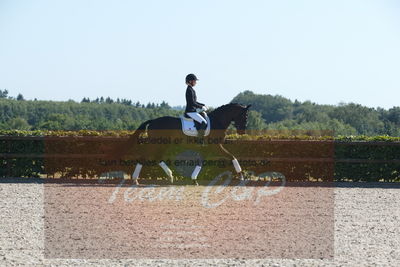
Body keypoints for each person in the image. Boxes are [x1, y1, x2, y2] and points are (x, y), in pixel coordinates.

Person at [184, 73, 208, 138]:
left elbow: (195, 101)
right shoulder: (189, 90)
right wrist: (201, 107)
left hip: (192, 111)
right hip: (190, 112)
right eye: (194, 81)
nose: (195, 82)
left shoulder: (191, 89)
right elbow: (192, 103)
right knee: (204, 122)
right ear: (190, 81)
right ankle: (200, 140)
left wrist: (203, 104)